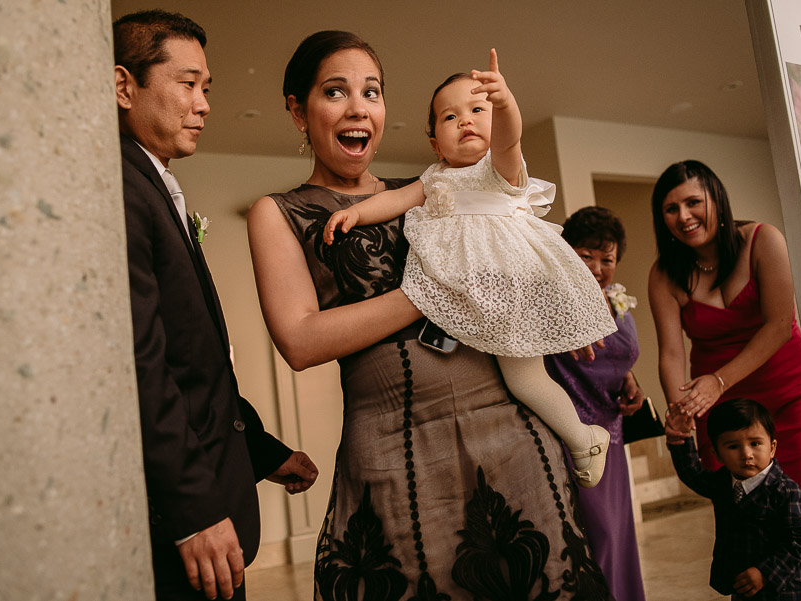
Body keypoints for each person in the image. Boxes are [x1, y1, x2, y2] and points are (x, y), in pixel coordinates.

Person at [248, 30, 612, 600]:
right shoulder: (281, 213)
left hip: (509, 431)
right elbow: (300, 341)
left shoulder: (437, 187)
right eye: (335, 92)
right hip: (393, 445)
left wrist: (557, 314)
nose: (357, 107)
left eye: (371, 91)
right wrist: (431, 293)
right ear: (299, 111)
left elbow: (513, 247)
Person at [323, 50, 616, 488]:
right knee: (464, 357)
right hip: (466, 296)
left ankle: (584, 438)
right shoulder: (434, 177)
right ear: (434, 143)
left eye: (478, 110)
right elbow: (394, 201)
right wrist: (357, 214)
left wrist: (506, 104)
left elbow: (509, 139)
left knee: (524, 380)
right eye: (449, 117)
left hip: (511, 288)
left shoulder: (499, 170)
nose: (465, 121)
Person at [114, 11, 318, 600]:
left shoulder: (153, 185)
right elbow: (142, 363)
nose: (203, 104)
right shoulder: (123, 188)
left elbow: (194, 364)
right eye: (187, 83)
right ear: (125, 86)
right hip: (180, 518)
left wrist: (262, 451)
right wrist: (193, 511)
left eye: (207, 88)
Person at [648, 160, 801, 600]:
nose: (684, 216)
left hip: (791, 398)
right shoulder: (664, 275)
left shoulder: (763, 240)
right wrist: (679, 410)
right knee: (744, 531)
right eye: (671, 209)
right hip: (726, 416)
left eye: (693, 202)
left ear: (716, 200)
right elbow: (673, 352)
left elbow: (778, 324)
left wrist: (718, 379)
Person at [543, 206, 647, 601]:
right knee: (595, 538)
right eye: (587, 255)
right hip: (573, 439)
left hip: (613, 436)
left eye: (608, 259)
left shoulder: (616, 302)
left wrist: (630, 381)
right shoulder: (552, 303)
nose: (598, 268)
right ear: (567, 251)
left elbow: (618, 356)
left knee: (619, 537)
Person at [668, 399, 801, 601]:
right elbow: (693, 474)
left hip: (784, 593)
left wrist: (765, 573)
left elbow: (799, 541)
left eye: (755, 443)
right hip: (742, 590)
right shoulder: (723, 483)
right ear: (717, 454)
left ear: (772, 447)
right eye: (733, 446)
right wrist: (681, 439)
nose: (746, 454)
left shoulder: (784, 490)